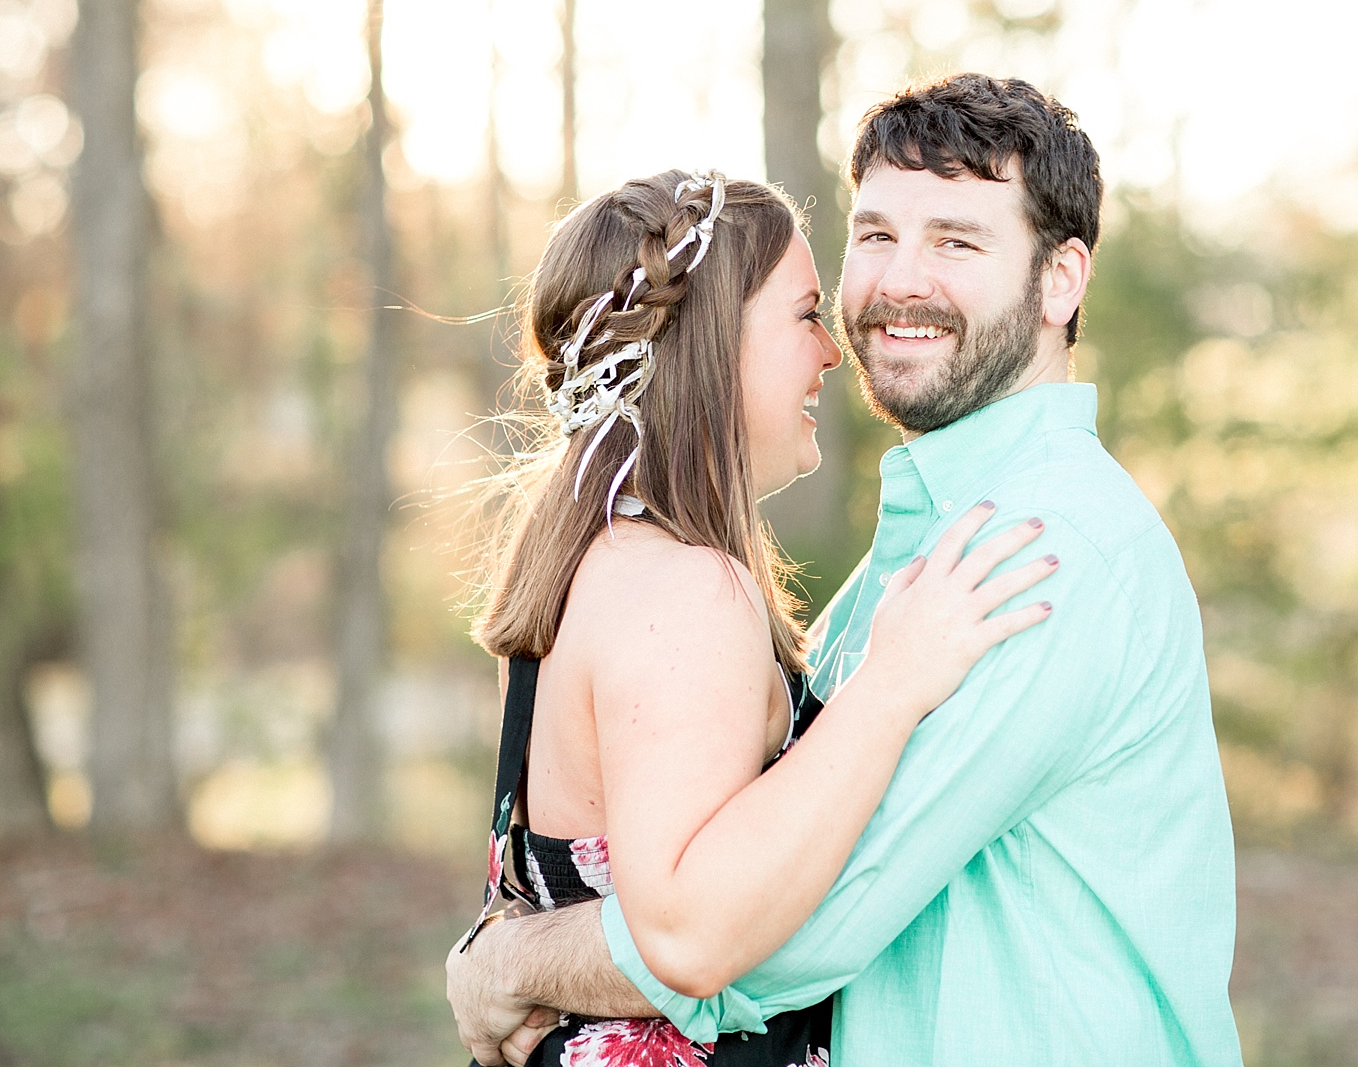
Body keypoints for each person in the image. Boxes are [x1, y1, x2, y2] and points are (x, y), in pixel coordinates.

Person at [451, 75, 1244, 1066]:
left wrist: (517, 960)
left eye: (956, 242)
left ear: (1060, 281)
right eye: (875, 234)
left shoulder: (1041, 552)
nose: (899, 282)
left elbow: (796, 914)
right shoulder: (912, 554)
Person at [450, 166, 1059, 1067]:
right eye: (805, 315)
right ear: (715, 344)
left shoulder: (579, 571)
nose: (832, 353)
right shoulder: (685, 593)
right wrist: (890, 688)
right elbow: (691, 936)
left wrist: (506, 961)